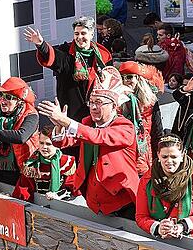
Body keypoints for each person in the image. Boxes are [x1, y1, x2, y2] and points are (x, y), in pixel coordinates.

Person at [38, 66, 139, 218]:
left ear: (114, 106)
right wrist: (59, 126)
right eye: (91, 102)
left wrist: (66, 121)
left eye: (98, 102)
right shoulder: (88, 122)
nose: (93, 107)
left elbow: (98, 136)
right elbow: (64, 142)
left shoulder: (125, 126)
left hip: (123, 201)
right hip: (94, 202)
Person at [25, 17, 112, 121]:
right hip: (72, 112)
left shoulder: (103, 55)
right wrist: (41, 45)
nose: (79, 37)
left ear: (91, 34)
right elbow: (53, 57)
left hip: (96, 110)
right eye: (76, 33)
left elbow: (111, 80)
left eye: (83, 33)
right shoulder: (66, 52)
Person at [135, 134, 193, 241]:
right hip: (161, 241)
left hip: (192, 241)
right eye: (164, 157)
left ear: (182, 155)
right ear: (158, 155)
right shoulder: (147, 180)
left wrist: (182, 226)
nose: (169, 161)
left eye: (174, 157)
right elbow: (141, 216)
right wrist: (158, 227)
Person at [119, 61, 164, 175]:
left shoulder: (151, 102)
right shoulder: (115, 101)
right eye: (122, 78)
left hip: (142, 154)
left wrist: (160, 157)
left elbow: (157, 133)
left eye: (129, 77)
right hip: (121, 155)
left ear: (138, 79)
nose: (126, 81)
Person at [12, 126, 77, 202]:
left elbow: (73, 188)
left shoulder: (66, 162)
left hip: (61, 205)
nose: (44, 147)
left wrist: (57, 195)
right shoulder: (31, 163)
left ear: (57, 144)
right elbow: (23, 189)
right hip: (36, 205)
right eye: (41, 143)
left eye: (48, 144)